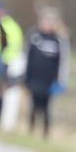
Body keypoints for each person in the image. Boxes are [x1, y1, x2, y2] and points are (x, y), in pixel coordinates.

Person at [25, 7, 71, 138]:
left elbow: (63, 62)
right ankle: (31, 130)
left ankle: (45, 133)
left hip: (49, 80)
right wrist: (25, 76)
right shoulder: (34, 36)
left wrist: (61, 81)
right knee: (33, 105)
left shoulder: (59, 40)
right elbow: (27, 56)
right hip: (34, 78)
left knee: (46, 107)